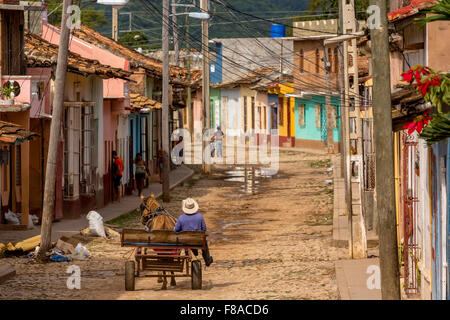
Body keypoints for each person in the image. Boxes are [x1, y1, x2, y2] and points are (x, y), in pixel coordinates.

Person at [174, 198, 213, 267]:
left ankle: (188, 252)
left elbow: (176, 230)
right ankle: (207, 260)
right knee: (205, 243)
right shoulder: (200, 216)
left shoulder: (181, 218)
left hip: (185, 242)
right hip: (197, 241)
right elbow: (204, 229)